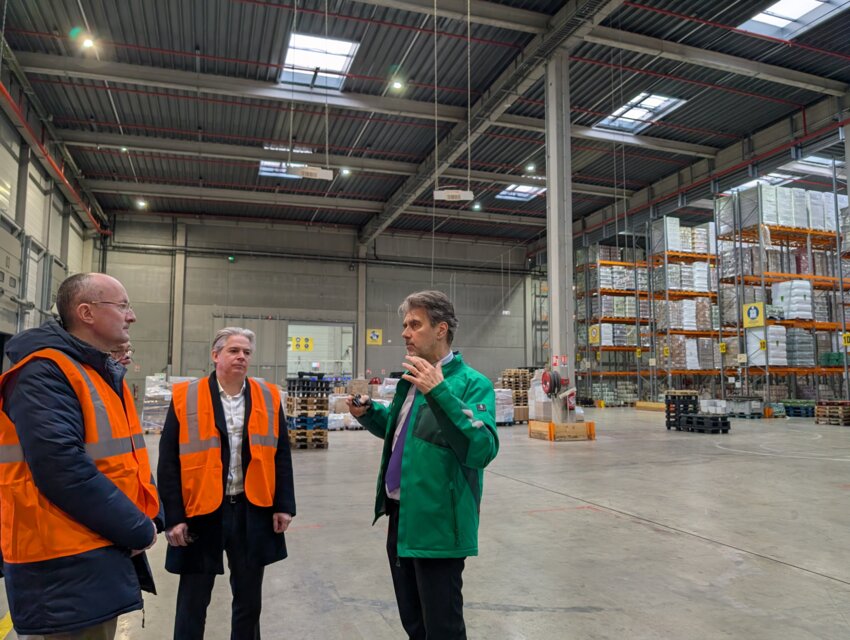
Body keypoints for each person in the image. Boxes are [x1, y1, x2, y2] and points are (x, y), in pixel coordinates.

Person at [0, 272, 160, 639]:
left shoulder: (95, 372)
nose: (132, 316)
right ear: (86, 313)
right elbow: (63, 471)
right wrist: (136, 528)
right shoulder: (44, 373)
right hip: (61, 564)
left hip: (95, 549)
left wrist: (152, 515)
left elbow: (124, 458)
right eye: (123, 306)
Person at [348, 290, 499, 640]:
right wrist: (369, 413)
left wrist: (439, 392)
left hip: (439, 524)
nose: (405, 333)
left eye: (414, 325)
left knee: (442, 629)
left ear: (441, 329)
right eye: (405, 325)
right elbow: (402, 433)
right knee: (414, 623)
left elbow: (482, 448)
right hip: (401, 517)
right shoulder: (412, 380)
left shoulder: (472, 384)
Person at [158, 327, 296, 640]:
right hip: (202, 510)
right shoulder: (187, 397)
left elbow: (281, 455)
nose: (241, 357)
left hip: (252, 507)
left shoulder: (267, 396)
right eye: (234, 351)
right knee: (193, 599)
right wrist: (174, 517)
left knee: (249, 599)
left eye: (246, 352)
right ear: (215, 355)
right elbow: (168, 463)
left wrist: (284, 505)